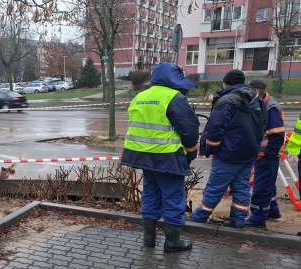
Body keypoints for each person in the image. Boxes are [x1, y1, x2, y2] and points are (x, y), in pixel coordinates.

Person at [121, 62, 199, 253]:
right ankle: (172, 242)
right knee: (173, 198)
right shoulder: (174, 97)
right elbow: (188, 130)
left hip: (142, 156)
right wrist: (191, 151)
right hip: (167, 157)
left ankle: (149, 239)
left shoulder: (140, 96)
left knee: (150, 194)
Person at [190, 70, 267, 228]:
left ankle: (199, 217)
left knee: (215, 187)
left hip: (228, 155)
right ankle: (238, 220)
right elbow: (263, 125)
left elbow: (215, 129)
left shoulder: (226, 101)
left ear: (226, 83)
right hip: (249, 153)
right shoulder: (257, 100)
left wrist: (211, 149)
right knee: (242, 188)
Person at [247, 79, 285, 228]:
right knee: (268, 184)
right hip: (264, 154)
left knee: (261, 186)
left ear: (257, 91)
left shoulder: (270, 107)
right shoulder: (264, 103)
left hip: (267, 154)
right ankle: (272, 210)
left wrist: (268, 154)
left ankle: (257, 218)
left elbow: (277, 134)